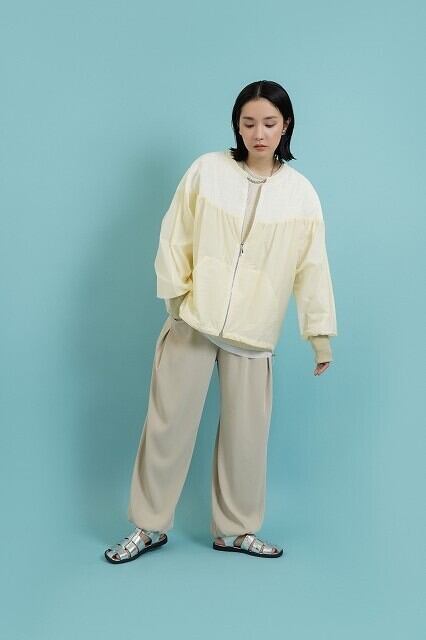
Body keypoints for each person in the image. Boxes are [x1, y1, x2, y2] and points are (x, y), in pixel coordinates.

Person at [104, 80, 337, 563]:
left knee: (246, 438)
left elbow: (313, 267)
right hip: (194, 321)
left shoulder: (301, 195)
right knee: (167, 427)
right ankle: (148, 526)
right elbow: (175, 233)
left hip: (253, 333)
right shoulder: (206, 171)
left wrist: (319, 336)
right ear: (237, 125)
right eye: (249, 123)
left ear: (286, 126)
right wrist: (177, 297)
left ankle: (236, 531)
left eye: (269, 123)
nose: (259, 133)